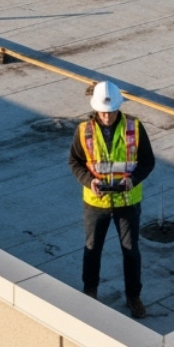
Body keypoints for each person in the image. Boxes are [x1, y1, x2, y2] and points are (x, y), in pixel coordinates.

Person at [68, 80, 154, 318]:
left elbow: (148, 162)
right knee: (92, 249)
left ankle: (134, 297)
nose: (107, 117)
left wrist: (132, 180)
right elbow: (74, 162)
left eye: (111, 111)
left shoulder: (134, 128)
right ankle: (90, 292)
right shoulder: (83, 131)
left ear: (119, 107)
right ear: (96, 109)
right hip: (96, 203)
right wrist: (89, 181)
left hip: (127, 201)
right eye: (103, 112)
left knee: (130, 251)